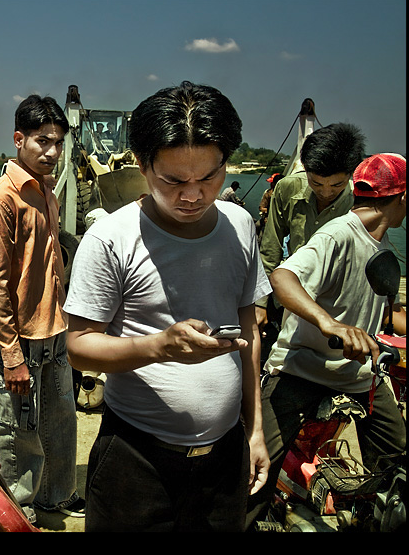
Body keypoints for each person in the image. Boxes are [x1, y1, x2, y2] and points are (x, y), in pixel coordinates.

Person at [64, 81, 271, 531]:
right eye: (173, 180)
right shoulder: (110, 239)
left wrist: (254, 430)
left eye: (209, 178)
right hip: (136, 461)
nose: (192, 195)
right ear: (142, 165)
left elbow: (249, 332)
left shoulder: (239, 225)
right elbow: (78, 347)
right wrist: (160, 347)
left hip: (225, 457)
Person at [245, 153, 407, 528]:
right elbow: (284, 277)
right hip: (300, 370)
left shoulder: (382, 250)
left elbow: (382, 315)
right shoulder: (339, 233)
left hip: (358, 376)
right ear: (401, 197)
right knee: (255, 472)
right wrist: (329, 324)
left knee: (395, 462)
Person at [0, 94, 83, 523]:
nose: (52, 151)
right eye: (42, 141)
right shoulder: (3, 198)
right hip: (18, 339)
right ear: (19, 139)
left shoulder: (46, 192)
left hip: (55, 331)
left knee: (60, 421)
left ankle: (55, 495)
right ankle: (20, 511)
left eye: (58, 142)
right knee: (18, 432)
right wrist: (11, 355)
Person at [255, 123, 365, 333]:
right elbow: (271, 249)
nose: (325, 192)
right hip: (291, 295)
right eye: (316, 183)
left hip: (339, 301)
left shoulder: (359, 198)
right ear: (305, 167)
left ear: (351, 174)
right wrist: (260, 303)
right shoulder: (287, 188)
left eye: (336, 185)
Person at [256, 172, 282, 240]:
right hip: (268, 220)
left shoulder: (284, 193)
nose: (271, 184)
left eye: (272, 182)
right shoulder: (268, 193)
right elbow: (261, 207)